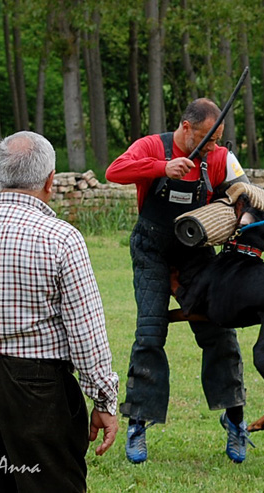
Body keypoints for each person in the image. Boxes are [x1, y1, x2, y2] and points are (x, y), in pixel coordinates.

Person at [0, 131, 119, 492]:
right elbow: (86, 332)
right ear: (50, 180)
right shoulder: (62, 239)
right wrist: (103, 399)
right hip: (37, 387)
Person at [106, 98, 252, 464]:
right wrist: (162, 168)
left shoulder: (219, 157)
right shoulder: (152, 146)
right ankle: (138, 424)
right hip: (151, 251)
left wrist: (243, 213)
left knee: (220, 330)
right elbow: (114, 171)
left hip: (196, 253)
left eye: (218, 138)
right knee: (150, 333)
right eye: (207, 138)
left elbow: (247, 193)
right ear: (186, 128)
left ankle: (235, 419)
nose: (214, 146)